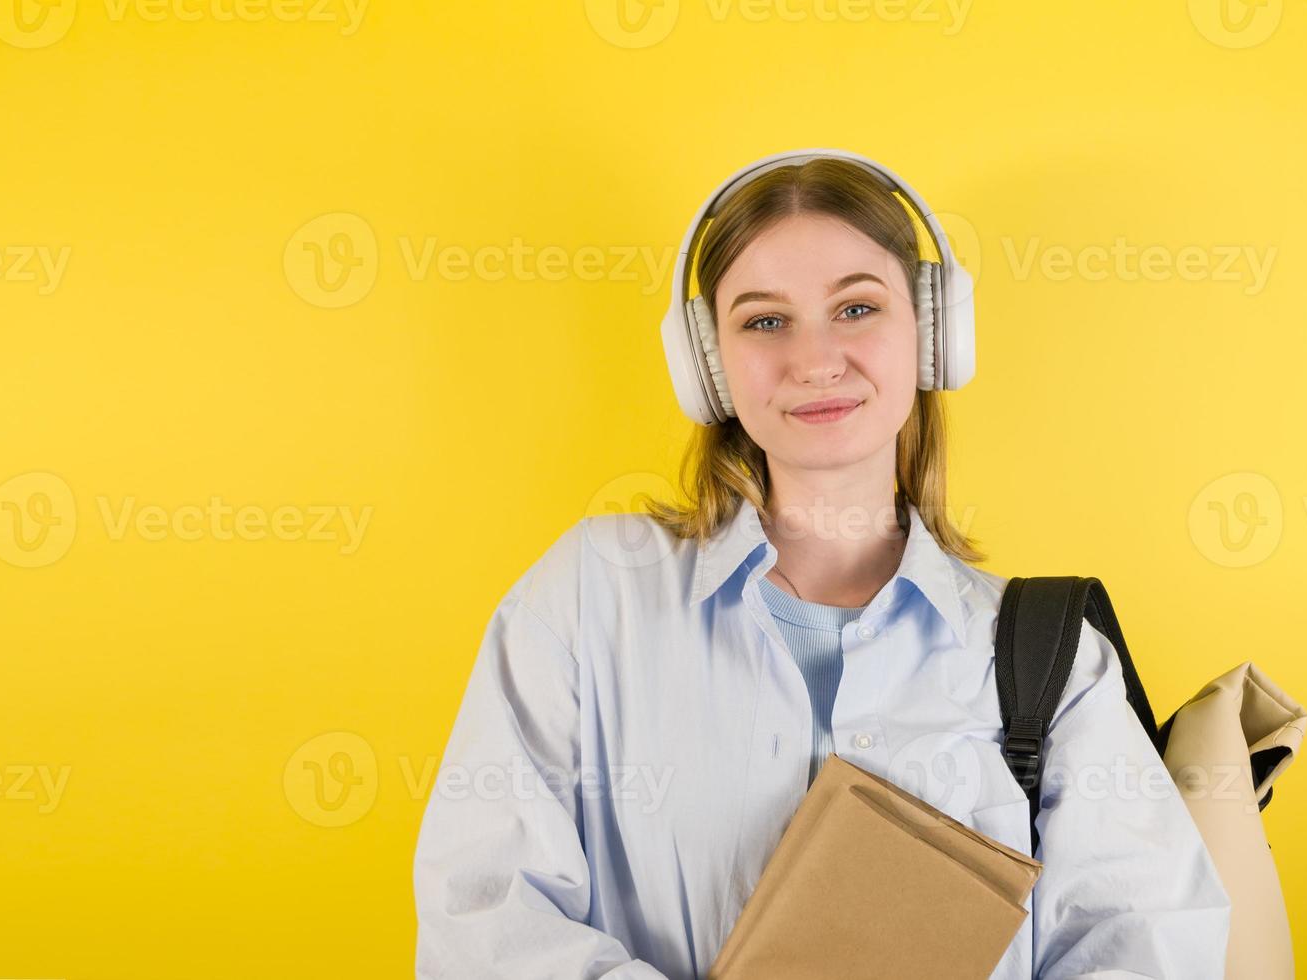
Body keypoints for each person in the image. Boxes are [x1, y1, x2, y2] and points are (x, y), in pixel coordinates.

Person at [413, 151, 1230, 979]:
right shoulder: (590, 597)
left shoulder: (1047, 657)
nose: (814, 360)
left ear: (932, 333)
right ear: (709, 365)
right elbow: (481, 916)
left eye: (856, 307)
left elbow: (1146, 944)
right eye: (764, 321)